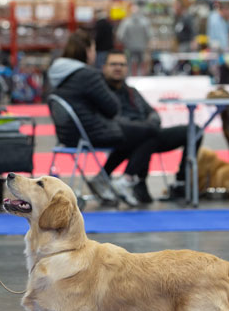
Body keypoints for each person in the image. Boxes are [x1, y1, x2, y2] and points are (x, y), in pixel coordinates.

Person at [47, 30, 158, 206]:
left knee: (134, 134)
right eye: (93, 49)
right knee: (150, 132)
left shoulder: (57, 73)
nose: (94, 54)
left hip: (68, 135)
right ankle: (125, 181)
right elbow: (112, 108)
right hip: (92, 132)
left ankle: (103, 178)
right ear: (86, 50)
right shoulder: (87, 75)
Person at [97, 50, 201, 203]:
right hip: (121, 135)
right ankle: (130, 180)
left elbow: (152, 112)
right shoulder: (100, 92)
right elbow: (110, 119)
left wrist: (150, 124)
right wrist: (143, 127)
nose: (118, 68)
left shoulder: (132, 91)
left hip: (148, 133)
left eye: (122, 64)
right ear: (104, 67)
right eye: (113, 64)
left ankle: (180, 183)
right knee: (147, 134)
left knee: (194, 131)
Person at [116, 2, 152, 76]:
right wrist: (145, 43)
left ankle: (129, 78)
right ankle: (140, 78)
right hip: (141, 47)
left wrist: (126, 43)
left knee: (129, 64)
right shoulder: (144, 22)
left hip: (130, 47)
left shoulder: (126, 22)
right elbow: (149, 35)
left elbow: (120, 35)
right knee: (141, 64)